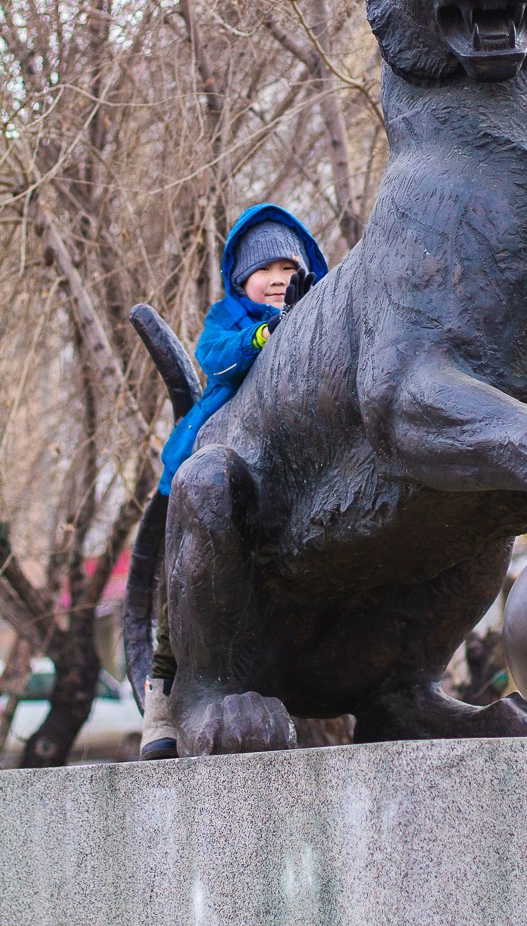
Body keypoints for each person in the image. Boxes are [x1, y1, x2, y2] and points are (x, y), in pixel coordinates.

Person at [140, 203, 327, 760]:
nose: (279, 279)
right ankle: (161, 707)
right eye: (267, 269)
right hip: (209, 465)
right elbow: (216, 360)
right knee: (178, 600)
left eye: (290, 270)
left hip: (283, 469)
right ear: (241, 277)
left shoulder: (319, 316)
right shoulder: (231, 322)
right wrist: (266, 334)